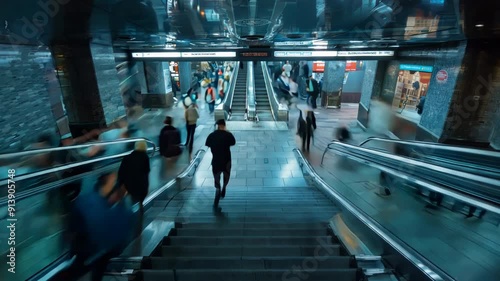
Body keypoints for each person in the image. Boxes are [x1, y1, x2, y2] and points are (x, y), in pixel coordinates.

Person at [52, 173, 133, 281]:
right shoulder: (126, 213)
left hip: (86, 260)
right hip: (106, 262)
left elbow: (70, 234)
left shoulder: (84, 203)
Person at [117, 141, 150, 236]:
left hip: (128, 186)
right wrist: (146, 187)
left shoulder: (127, 157)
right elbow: (146, 174)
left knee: (128, 204)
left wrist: (120, 185)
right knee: (138, 205)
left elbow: (121, 173)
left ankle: (125, 225)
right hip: (140, 186)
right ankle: (138, 228)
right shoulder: (145, 157)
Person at [205, 119, 236, 210]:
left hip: (216, 160)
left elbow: (208, 144)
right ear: (224, 125)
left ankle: (217, 190)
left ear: (217, 126)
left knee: (216, 177)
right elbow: (233, 142)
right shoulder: (228, 135)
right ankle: (224, 186)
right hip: (226, 160)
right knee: (226, 176)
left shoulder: (212, 135)